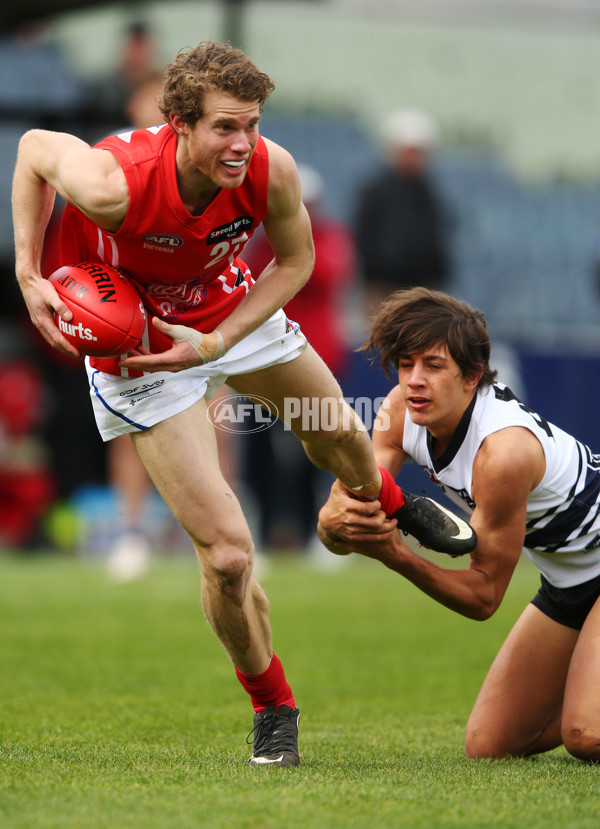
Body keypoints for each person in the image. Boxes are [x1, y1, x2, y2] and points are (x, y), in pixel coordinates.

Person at [12, 41, 475, 768]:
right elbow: (36, 147)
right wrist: (28, 269)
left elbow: (295, 260)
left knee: (338, 435)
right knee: (228, 556)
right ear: (178, 124)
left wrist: (218, 338)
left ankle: (385, 497)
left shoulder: (270, 169)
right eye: (225, 127)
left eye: (252, 124)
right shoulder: (115, 185)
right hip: (135, 347)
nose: (243, 143)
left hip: (221, 313)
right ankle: (273, 705)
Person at [317, 286, 600, 763]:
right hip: (568, 580)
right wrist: (335, 523)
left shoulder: (504, 453)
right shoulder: (398, 413)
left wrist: (396, 556)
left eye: (432, 365)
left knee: (586, 735)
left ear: (471, 376)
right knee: (488, 747)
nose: (414, 381)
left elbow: (484, 596)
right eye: (406, 365)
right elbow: (342, 513)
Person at [242, 163, 358, 552]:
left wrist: (288, 254)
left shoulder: (330, 239)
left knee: (319, 448)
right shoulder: (261, 246)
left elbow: (318, 274)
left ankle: (316, 532)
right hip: (261, 361)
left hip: (317, 357)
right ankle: (265, 531)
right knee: (259, 452)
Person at [354, 109, 452, 314]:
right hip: (382, 286)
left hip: (421, 287)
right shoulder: (375, 191)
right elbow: (362, 235)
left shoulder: (430, 193)